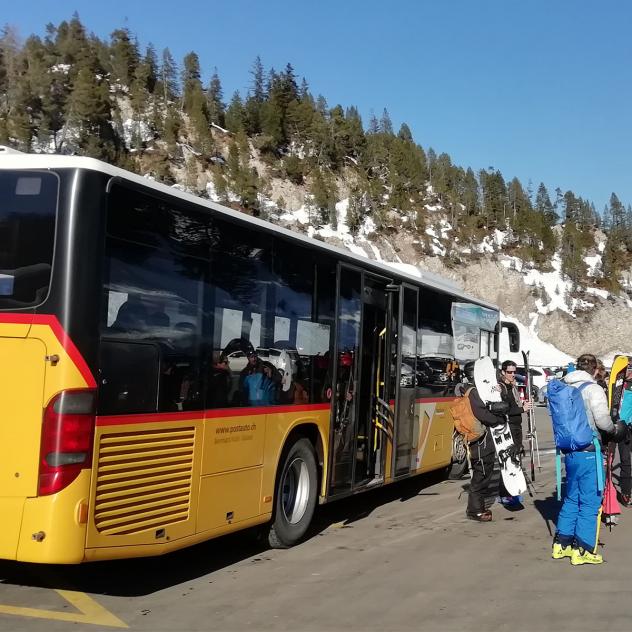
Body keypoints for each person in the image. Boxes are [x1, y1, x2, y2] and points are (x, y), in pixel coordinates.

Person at [552, 353, 625, 565]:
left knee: (572, 498)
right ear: (594, 369)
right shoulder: (593, 389)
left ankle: (562, 545)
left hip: (569, 451)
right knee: (590, 501)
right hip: (589, 450)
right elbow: (602, 421)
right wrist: (614, 430)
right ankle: (582, 550)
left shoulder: (564, 386)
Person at [464, 362, 508, 522]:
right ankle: (475, 511)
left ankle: (478, 507)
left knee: (483, 472)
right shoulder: (473, 392)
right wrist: (498, 420)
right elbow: (482, 414)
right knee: (481, 473)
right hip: (481, 440)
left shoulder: (473, 390)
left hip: (481, 438)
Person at [497, 360, 533, 506]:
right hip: (508, 427)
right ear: (503, 372)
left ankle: (510, 492)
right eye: (509, 372)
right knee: (508, 461)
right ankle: (504, 494)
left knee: (514, 460)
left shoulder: (512, 386)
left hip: (516, 426)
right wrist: (522, 409)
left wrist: (523, 405)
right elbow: (504, 409)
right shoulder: (501, 387)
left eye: (514, 372)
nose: (512, 374)